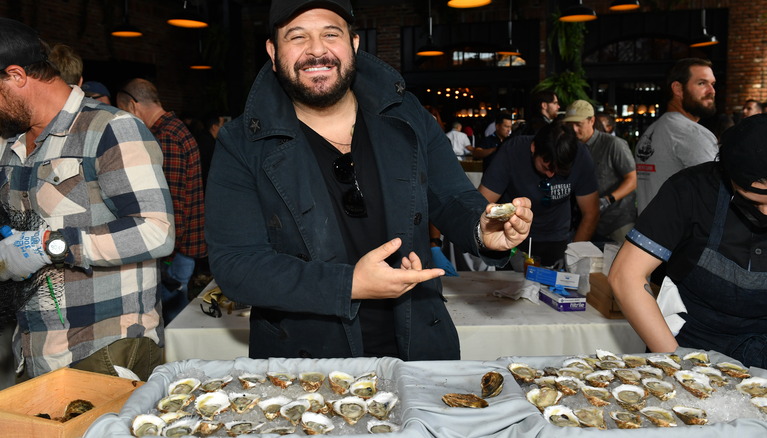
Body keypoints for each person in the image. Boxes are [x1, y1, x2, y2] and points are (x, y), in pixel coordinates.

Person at [205, 0, 533, 361]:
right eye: (297, 37)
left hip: (418, 349)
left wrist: (481, 228)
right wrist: (348, 285)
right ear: (273, 51)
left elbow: (452, 196)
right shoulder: (242, 143)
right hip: (308, 364)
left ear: (354, 44)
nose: (316, 50)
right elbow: (237, 265)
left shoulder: (406, 115)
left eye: (331, 34)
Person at [0, 18, 174, 379]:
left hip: (104, 348)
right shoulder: (11, 144)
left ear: (16, 76)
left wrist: (49, 246)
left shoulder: (110, 129)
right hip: (35, 348)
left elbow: (156, 231)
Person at [608, 112, 767, 375]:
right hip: (691, 352)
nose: (766, 213)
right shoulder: (690, 190)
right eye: (752, 202)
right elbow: (626, 275)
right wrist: (677, 367)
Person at [116, 78, 206, 325]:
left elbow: (173, 202)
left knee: (172, 323)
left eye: (123, 112)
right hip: (179, 247)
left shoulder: (165, 136)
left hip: (175, 249)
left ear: (133, 106)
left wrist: (166, 254)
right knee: (175, 320)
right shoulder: (173, 129)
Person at [478, 121, 598, 267]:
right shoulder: (512, 151)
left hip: (557, 238)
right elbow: (482, 204)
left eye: (559, 171)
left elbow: (591, 213)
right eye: (546, 167)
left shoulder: (581, 156)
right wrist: (494, 241)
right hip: (513, 237)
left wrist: (573, 257)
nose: (551, 175)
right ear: (534, 148)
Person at [634, 58, 718, 215]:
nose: (711, 91)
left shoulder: (651, 132)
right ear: (678, 89)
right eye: (702, 83)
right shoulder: (693, 134)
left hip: (649, 235)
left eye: (712, 84)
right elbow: (715, 196)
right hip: (681, 237)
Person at [564, 100, 636, 244]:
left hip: (617, 221)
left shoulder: (613, 144)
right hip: (587, 222)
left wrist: (608, 199)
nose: (574, 129)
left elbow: (633, 179)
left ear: (592, 121)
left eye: (579, 124)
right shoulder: (571, 148)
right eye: (570, 125)